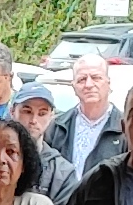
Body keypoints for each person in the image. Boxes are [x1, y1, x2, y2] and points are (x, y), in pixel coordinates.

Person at [48, 54, 125, 187]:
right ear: (73, 86)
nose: (88, 85)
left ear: (108, 82)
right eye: (82, 79)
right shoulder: (56, 127)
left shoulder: (126, 129)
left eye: (96, 78)